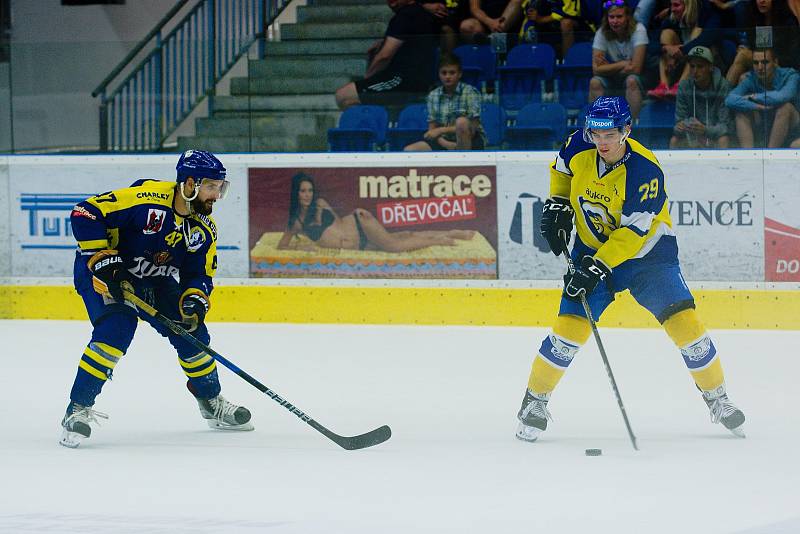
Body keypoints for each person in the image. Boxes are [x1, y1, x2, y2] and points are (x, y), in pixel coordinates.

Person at [516, 96, 746, 443]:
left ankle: (719, 399)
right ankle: (534, 402)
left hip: (649, 258)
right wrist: (558, 204)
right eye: (596, 134)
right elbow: (561, 171)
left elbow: (633, 234)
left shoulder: (644, 170)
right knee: (567, 330)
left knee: (686, 325)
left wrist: (595, 267)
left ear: (627, 130)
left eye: (610, 134)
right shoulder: (579, 143)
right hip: (592, 249)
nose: (602, 142)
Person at [59, 150, 253, 448]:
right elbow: (85, 213)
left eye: (220, 187)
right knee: (116, 330)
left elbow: (199, 274)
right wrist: (105, 262)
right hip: (105, 277)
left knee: (194, 335)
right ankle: (77, 410)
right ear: (189, 183)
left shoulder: (203, 229)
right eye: (211, 186)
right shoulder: (145, 199)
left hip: (154, 279)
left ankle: (211, 402)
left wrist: (195, 300)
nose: (217, 194)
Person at [277, 173, 475, 252]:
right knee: (401, 237)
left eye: (310, 190)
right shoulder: (296, 223)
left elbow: (338, 223)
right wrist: (302, 248)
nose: (307, 195)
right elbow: (282, 246)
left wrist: (320, 216)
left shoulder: (320, 203)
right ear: (296, 193)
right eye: (303, 191)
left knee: (394, 246)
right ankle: (451, 232)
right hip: (360, 245)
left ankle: (438, 240)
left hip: (359, 222)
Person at [335, 0, 440, 110]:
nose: (391, 3)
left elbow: (384, 56)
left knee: (343, 96)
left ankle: (373, 125)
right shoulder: (421, 13)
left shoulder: (405, 16)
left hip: (402, 80)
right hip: (418, 80)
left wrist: (368, 78)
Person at [404, 54, 487, 151]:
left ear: (459, 74)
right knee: (410, 150)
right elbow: (432, 130)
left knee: (462, 122)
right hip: (443, 140)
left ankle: (462, 164)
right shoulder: (433, 95)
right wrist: (446, 144)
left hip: (471, 139)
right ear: (439, 74)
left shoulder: (471, 92)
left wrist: (441, 130)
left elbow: (473, 127)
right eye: (444, 73)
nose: (447, 76)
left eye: (452, 73)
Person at [724, 47, 800, 148]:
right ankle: (749, 158)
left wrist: (753, 97)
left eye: (765, 62)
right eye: (756, 63)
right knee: (741, 111)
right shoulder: (751, 78)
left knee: (785, 108)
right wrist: (756, 106)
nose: (760, 67)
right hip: (764, 126)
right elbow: (729, 99)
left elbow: (783, 96)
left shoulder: (790, 75)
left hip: (793, 130)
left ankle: (770, 155)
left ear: (775, 62)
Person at [647, 0, 721, 99]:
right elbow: (651, 45)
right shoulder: (672, 18)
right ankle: (663, 85)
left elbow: (707, 38)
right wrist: (666, 48)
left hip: (705, 62)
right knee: (666, 33)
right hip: (679, 61)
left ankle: (681, 85)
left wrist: (681, 50)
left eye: (676, 5)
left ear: (688, 6)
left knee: (697, 31)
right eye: (671, 5)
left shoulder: (708, 13)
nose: (672, 9)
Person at [589, 0, 649, 119]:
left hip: (640, 78)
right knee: (595, 82)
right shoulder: (601, 32)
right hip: (615, 77)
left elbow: (636, 69)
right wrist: (623, 64)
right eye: (611, 17)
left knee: (631, 80)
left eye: (619, 17)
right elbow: (596, 69)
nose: (615, 21)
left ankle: (631, 126)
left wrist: (607, 68)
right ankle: (598, 126)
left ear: (627, 17)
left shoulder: (639, 30)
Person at [670, 45, 733, 148]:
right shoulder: (684, 86)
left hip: (714, 135)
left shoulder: (723, 86)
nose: (695, 71)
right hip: (692, 134)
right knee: (674, 140)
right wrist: (683, 126)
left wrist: (705, 130)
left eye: (700, 66)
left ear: (711, 67)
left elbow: (726, 126)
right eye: (692, 66)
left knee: (724, 139)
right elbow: (678, 122)